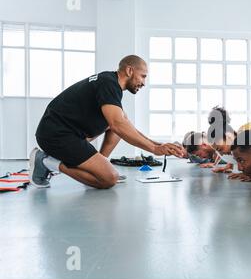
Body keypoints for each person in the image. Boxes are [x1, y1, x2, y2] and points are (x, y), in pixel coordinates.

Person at [31, 55, 184, 189]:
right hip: (55, 135)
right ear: (130, 71)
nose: (144, 82)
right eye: (143, 76)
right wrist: (154, 150)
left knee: (119, 121)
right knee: (109, 179)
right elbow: (118, 125)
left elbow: (126, 125)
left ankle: (99, 168)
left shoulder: (110, 83)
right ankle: (45, 161)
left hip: (67, 133)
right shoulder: (108, 84)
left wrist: (159, 145)